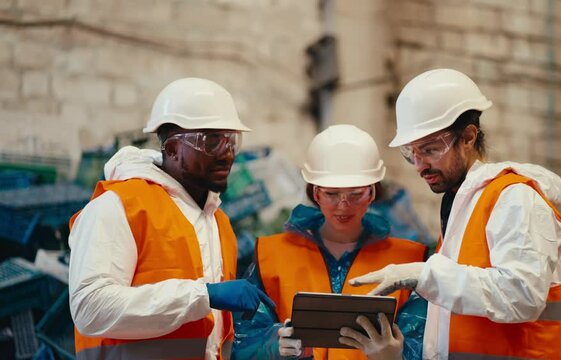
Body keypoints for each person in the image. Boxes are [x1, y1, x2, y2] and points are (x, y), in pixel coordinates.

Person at [350, 68, 561, 360]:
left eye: (430, 149)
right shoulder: (462, 206)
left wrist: (424, 274)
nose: (420, 165)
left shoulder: (514, 198)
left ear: (468, 137)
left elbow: (523, 294)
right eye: (411, 153)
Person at [68, 78, 275, 360]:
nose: (227, 155)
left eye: (232, 141)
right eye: (212, 141)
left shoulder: (219, 224)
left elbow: (209, 338)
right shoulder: (118, 206)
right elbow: (89, 307)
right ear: (173, 149)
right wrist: (204, 296)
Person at [231, 124, 429, 360]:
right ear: (316, 194)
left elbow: (430, 344)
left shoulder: (409, 261)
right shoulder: (270, 255)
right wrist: (274, 344)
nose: (343, 205)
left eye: (356, 194)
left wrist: (396, 356)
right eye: (331, 194)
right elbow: (240, 341)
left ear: (372, 194)